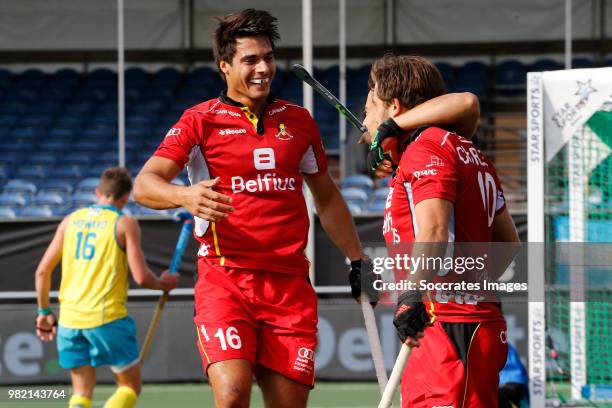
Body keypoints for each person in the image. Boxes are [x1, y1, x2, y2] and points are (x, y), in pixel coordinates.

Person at [132, 9, 369, 408]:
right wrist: (184, 196)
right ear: (224, 65)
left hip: (290, 288)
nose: (264, 68)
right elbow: (144, 184)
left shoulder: (299, 122)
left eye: (268, 57)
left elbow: (326, 197)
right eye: (250, 60)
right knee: (232, 396)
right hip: (226, 282)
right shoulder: (199, 122)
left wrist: (357, 259)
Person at [361, 54, 520, 407]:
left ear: (394, 108)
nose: (365, 121)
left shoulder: (425, 149)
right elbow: (508, 244)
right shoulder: (469, 152)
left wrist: (414, 295)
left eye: (369, 109)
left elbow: (434, 233)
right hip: (463, 324)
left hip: (448, 328)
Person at [35, 167, 178, 408]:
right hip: (107, 319)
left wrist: (43, 312)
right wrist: (163, 284)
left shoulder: (70, 220)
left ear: (97, 192)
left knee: (81, 393)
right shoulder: (124, 223)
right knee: (129, 386)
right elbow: (142, 278)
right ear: (126, 197)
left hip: (69, 321)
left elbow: (42, 271)